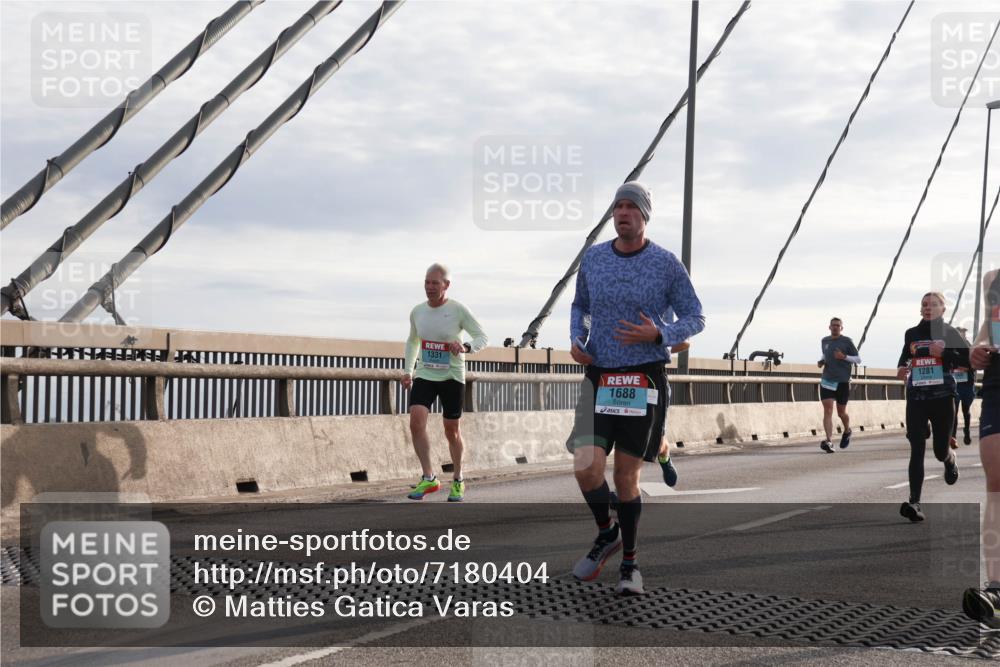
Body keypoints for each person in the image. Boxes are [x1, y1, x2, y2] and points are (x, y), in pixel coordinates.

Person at [567, 181, 705, 595]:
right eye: (617, 207)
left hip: (643, 377)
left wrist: (658, 333)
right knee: (585, 467)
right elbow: (581, 306)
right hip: (601, 375)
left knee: (625, 478)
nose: (622, 213)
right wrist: (578, 338)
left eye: (630, 207)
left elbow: (695, 317)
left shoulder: (665, 264)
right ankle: (606, 533)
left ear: (644, 215)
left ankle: (630, 565)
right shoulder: (593, 259)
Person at [401, 263, 487, 502]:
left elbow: (482, 337)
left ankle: (458, 479)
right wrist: (408, 370)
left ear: (446, 285)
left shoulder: (458, 310)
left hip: (452, 376)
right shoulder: (417, 311)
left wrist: (466, 347)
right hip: (425, 374)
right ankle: (429, 478)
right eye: (427, 282)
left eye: (435, 283)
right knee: (416, 422)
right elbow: (412, 341)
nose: (429, 287)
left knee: (452, 431)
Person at [895, 292, 970, 522]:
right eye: (924, 305)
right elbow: (904, 357)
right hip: (916, 397)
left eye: (934, 304)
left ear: (943, 309)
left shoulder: (949, 333)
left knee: (939, 450)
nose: (928, 308)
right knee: (916, 447)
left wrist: (945, 353)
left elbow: (967, 362)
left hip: (943, 397)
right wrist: (900, 368)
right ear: (920, 310)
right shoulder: (912, 334)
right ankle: (915, 502)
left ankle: (949, 459)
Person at [962, 269, 1000, 627]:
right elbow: (989, 327)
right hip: (998, 383)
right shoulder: (994, 279)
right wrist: (977, 347)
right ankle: (998, 588)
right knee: (997, 481)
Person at [817, 317, 861, 453]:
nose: (835, 327)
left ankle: (847, 430)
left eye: (838, 325)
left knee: (841, 413)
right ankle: (829, 441)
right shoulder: (825, 341)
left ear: (841, 328)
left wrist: (844, 357)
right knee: (828, 410)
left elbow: (858, 359)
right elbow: (825, 355)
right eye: (833, 325)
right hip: (827, 380)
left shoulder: (847, 341)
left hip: (842, 381)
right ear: (829, 327)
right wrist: (821, 361)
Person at [950, 326, 977, 446]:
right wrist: (957, 367)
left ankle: (966, 431)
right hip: (955, 385)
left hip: (967, 385)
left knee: (966, 410)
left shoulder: (969, 347)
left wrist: (965, 367)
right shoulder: (951, 348)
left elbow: (974, 364)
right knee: (954, 411)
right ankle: (953, 436)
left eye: (962, 334)